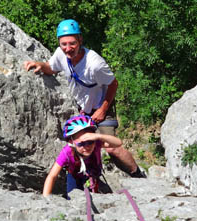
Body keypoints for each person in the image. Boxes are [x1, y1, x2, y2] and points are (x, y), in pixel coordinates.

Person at [24, 19, 146, 178]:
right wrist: (39, 64)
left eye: (72, 43)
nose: (68, 48)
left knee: (110, 147)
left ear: (80, 40)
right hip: (82, 108)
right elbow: (51, 68)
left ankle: (137, 174)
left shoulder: (94, 64)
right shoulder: (61, 54)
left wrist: (103, 109)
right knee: (78, 146)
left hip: (101, 106)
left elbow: (113, 84)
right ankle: (88, 179)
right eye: (64, 44)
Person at [43, 115, 120, 197]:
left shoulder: (96, 143)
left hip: (92, 173)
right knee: (73, 197)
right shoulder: (67, 152)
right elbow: (52, 176)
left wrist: (98, 136)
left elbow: (118, 143)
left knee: (95, 197)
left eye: (90, 142)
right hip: (74, 176)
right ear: (71, 142)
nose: (87, 146)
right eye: (81, 144)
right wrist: (46, 200)